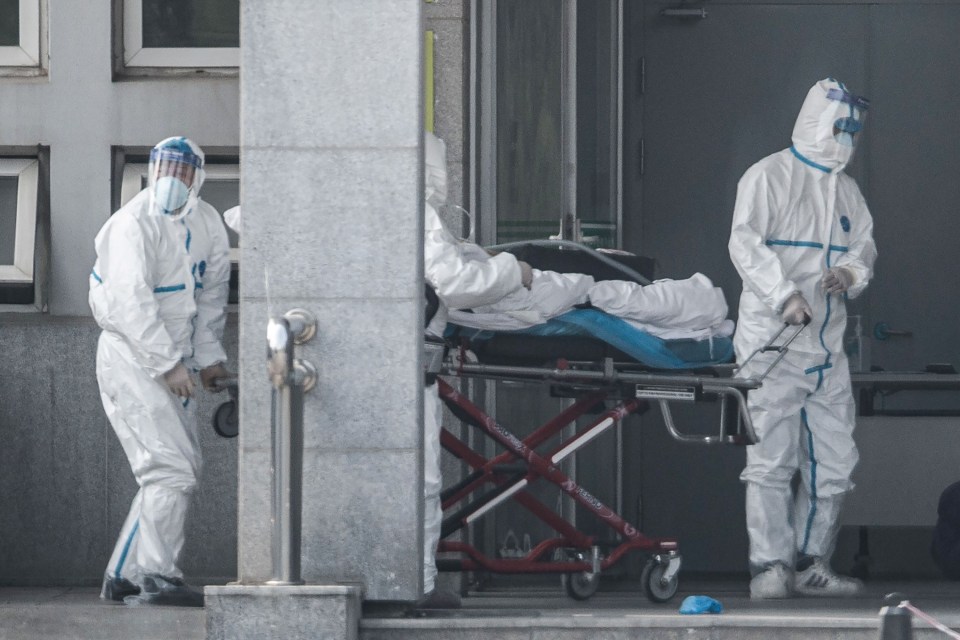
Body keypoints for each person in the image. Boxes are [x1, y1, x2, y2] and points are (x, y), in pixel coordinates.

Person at [728, 79, 877, 599]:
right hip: (773, 343)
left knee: (835, 462)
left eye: (854, 129)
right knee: (771, 459)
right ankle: (770, 566)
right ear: (818, 120)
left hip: (827, 348)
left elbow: (863, 249)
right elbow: (744, 244)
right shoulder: (769, 176)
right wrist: (784, 295)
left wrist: (850, 276)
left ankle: (812, 563)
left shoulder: (848, 192)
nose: (848, 136)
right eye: (841, 125)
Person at [90, 136, 233, 607]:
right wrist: (168, 364)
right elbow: (130, 304)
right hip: (133, 356)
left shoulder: (209, 224)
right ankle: (156, 575)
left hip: (177, 362)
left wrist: (210, 361)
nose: (173, 178)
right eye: (165, 167)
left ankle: (124, 575)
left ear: (199, 175)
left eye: (183, 169)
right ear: (152, 170)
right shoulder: (131, 223)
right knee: (171, 470)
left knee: (171, 470)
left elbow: (209, 303)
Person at [420, 131, 532, 608]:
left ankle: (406, 579)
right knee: (418, 476)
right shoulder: (418, 216)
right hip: (411, 364)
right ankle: (416, 583)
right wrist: (514, 271)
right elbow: (458, 284)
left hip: (392, 359)